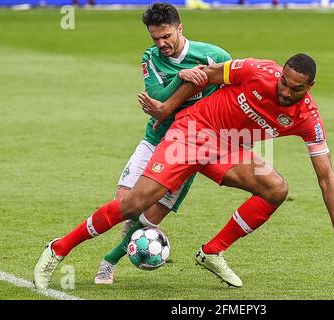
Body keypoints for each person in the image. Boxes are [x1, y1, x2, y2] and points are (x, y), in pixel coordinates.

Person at [34, 53, 334, 290]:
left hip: (228, 147)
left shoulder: (309, 118)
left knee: (275, 188)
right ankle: (58, 249)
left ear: (311, 86)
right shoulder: (255, 70)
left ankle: (211, 253)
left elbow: (326, 176)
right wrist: (167, 107)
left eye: (296, 89)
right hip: (191, 132)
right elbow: (204, 75)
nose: (285, 92)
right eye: (284, 83)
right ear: (280, 74)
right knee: (134, 205)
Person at [92, 2, 231, 284]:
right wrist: (182, 77)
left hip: (187, 149)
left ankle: (108, 262)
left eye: (167, 36)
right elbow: (158, 99)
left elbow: (230, 94)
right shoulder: (151, 56)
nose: (162, 43)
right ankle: (126, 237)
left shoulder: (215, 55)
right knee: (123, 206)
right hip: (155, 140)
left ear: (180, 28)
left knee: (149, 219)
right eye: (155, 37)